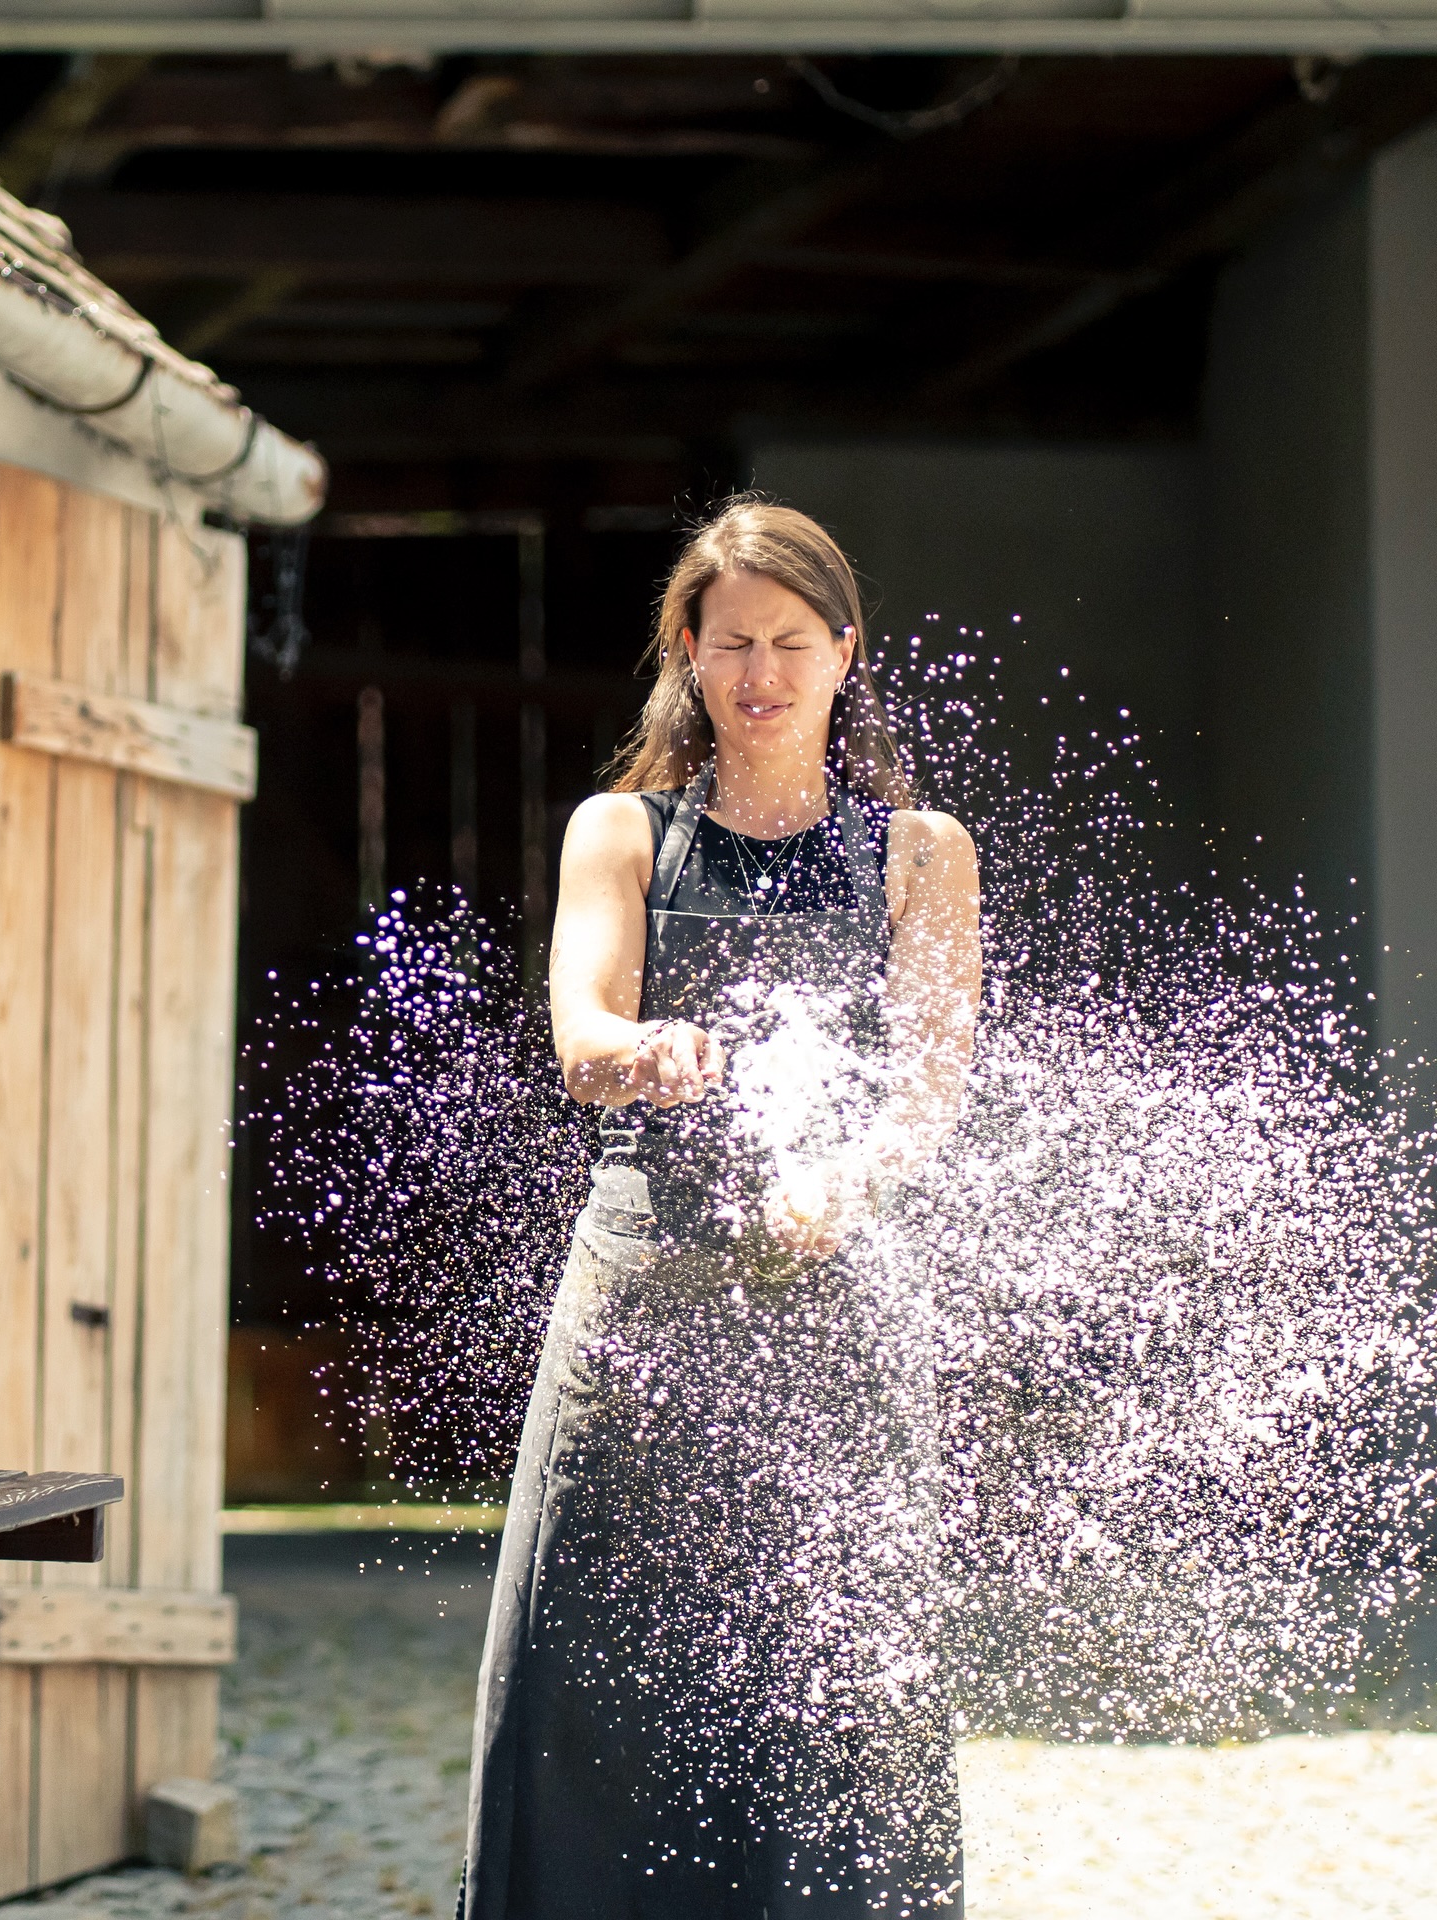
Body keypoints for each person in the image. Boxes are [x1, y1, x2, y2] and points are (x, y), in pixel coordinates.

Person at [459, 498, 981, 1920]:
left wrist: (847, 1180)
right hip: (641, 1310)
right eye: (733, 641)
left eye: (791, 642)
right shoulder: (618, 831)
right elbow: (581, 1026)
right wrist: (644, 1050)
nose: (761, 671)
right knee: (598, 1665)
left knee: (831, 1680)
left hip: (836, 1312)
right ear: (688, 652)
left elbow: (928, 1088)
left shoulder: (922, 852)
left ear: (843, 653)